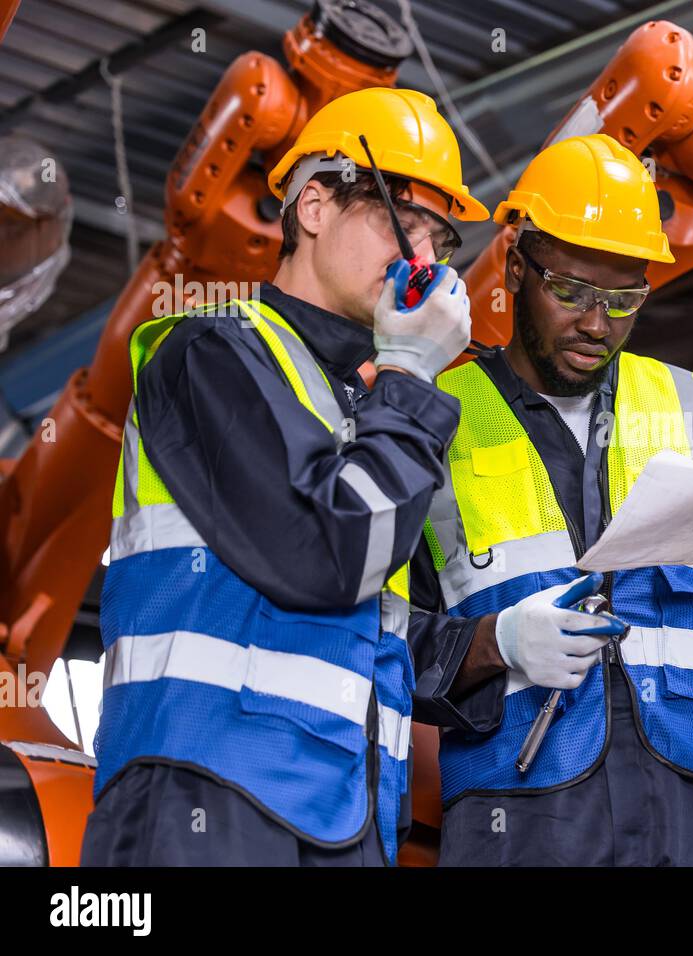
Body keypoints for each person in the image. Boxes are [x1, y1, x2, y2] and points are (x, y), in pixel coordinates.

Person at [408, 133, 693, 866]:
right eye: (571, 291)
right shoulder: (431, 421)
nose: (596, 323)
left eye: (624, 298)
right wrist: (494, 645)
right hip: (521, 818)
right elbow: (372, 641)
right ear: (515, 265)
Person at [82, 88, 486, 866]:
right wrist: (407, 374)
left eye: (440, 241)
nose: (425, 265)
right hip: (203, 800)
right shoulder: (211, 353)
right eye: (406, 227)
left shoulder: (364, 402)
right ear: (312, 206)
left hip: (346, 820)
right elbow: (329, 554)